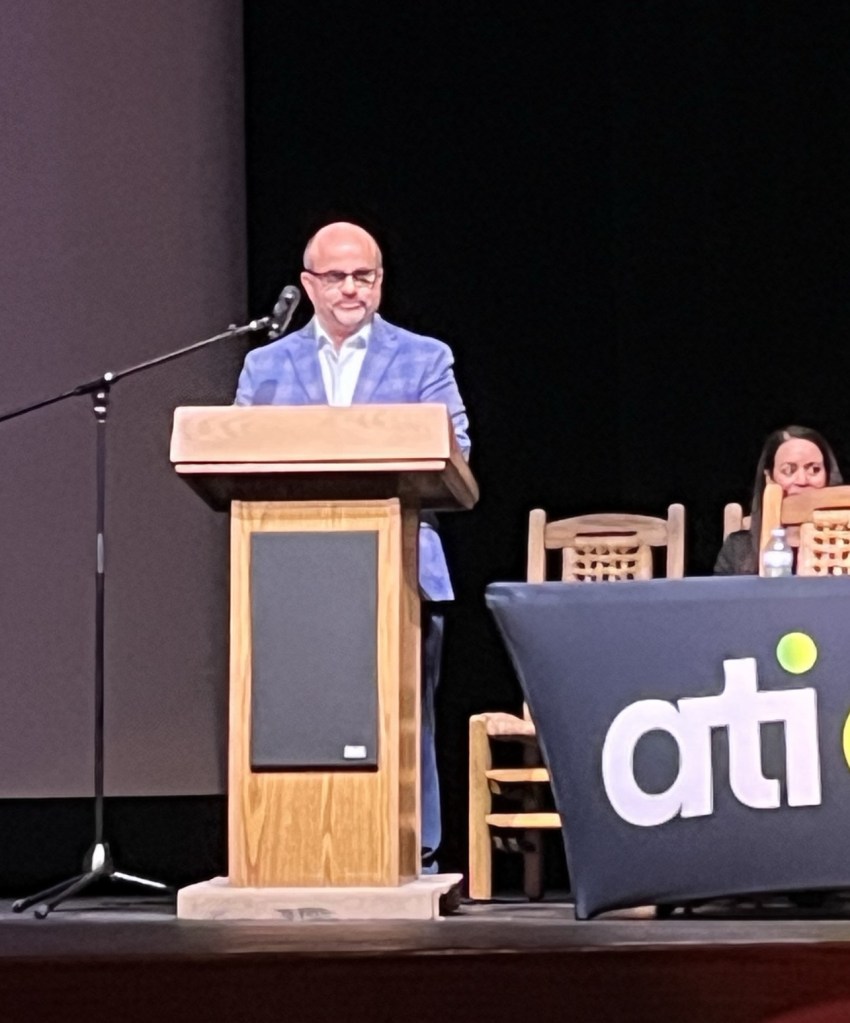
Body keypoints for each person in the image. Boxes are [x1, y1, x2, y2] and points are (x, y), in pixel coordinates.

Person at [235, 221, 470, 872]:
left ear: (380, 282)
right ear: (308, 284)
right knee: (293, 712)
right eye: (336, 276)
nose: (350, 288)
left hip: (400, 566)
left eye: (363, 276)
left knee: (405, 713)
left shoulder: (424, 358)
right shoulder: (265, 367)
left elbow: (456, 450)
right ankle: (287, 849)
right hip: (289, 571)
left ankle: (414, 850)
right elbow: (235, 452)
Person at [714, 425, 842, 575]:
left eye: (814, 469)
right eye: (788, 470)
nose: (802, 480)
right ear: (769, 478)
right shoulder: (739, 550)